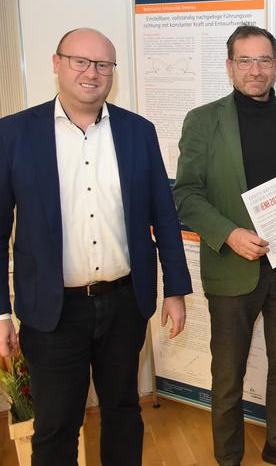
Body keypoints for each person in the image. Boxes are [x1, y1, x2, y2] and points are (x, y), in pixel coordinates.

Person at [0, 28, 191, 465]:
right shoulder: (13, 135)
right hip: (52, 311)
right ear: (56, 63)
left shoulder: (138, 132)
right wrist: (1, 313)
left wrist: (176, 289)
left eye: (103, 64)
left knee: (124, 412)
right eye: (80, 61)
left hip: (124, 303)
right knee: (55, 427)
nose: (92, 73)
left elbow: (164, 215)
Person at [173, 25, 276, 466]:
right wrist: (230, 234)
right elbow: (186, 195)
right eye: (246, 60)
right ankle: (229, 458)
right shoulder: (203, 120)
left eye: (264, 60)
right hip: (232, 267)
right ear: (230, 66)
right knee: (228, 376)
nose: (256, 70)